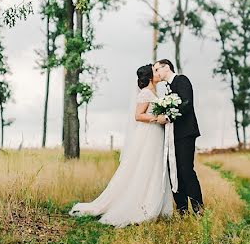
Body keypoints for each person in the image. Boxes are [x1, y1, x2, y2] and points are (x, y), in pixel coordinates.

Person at [69, 64, 174, 227]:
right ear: (149, 77)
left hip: (156, 135)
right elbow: (138, 116)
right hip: (148, 135)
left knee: (155, 167)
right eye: (155, 71)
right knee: (144, 167)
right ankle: (140, 204)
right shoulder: (145, 93)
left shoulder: (155, 92)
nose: (158, 73)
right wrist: (156, 118)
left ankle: (156, 203)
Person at [153, 58, 204, 214]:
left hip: (186, 134)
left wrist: (167, 117)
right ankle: (182, 209)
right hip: (172, 135)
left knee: (185, 170)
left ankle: (198, 209)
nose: (155, 73)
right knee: (173, 170)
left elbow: (186, 104)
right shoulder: (168, 88)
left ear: (166, 67)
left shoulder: (182, 80)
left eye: (157, 69)